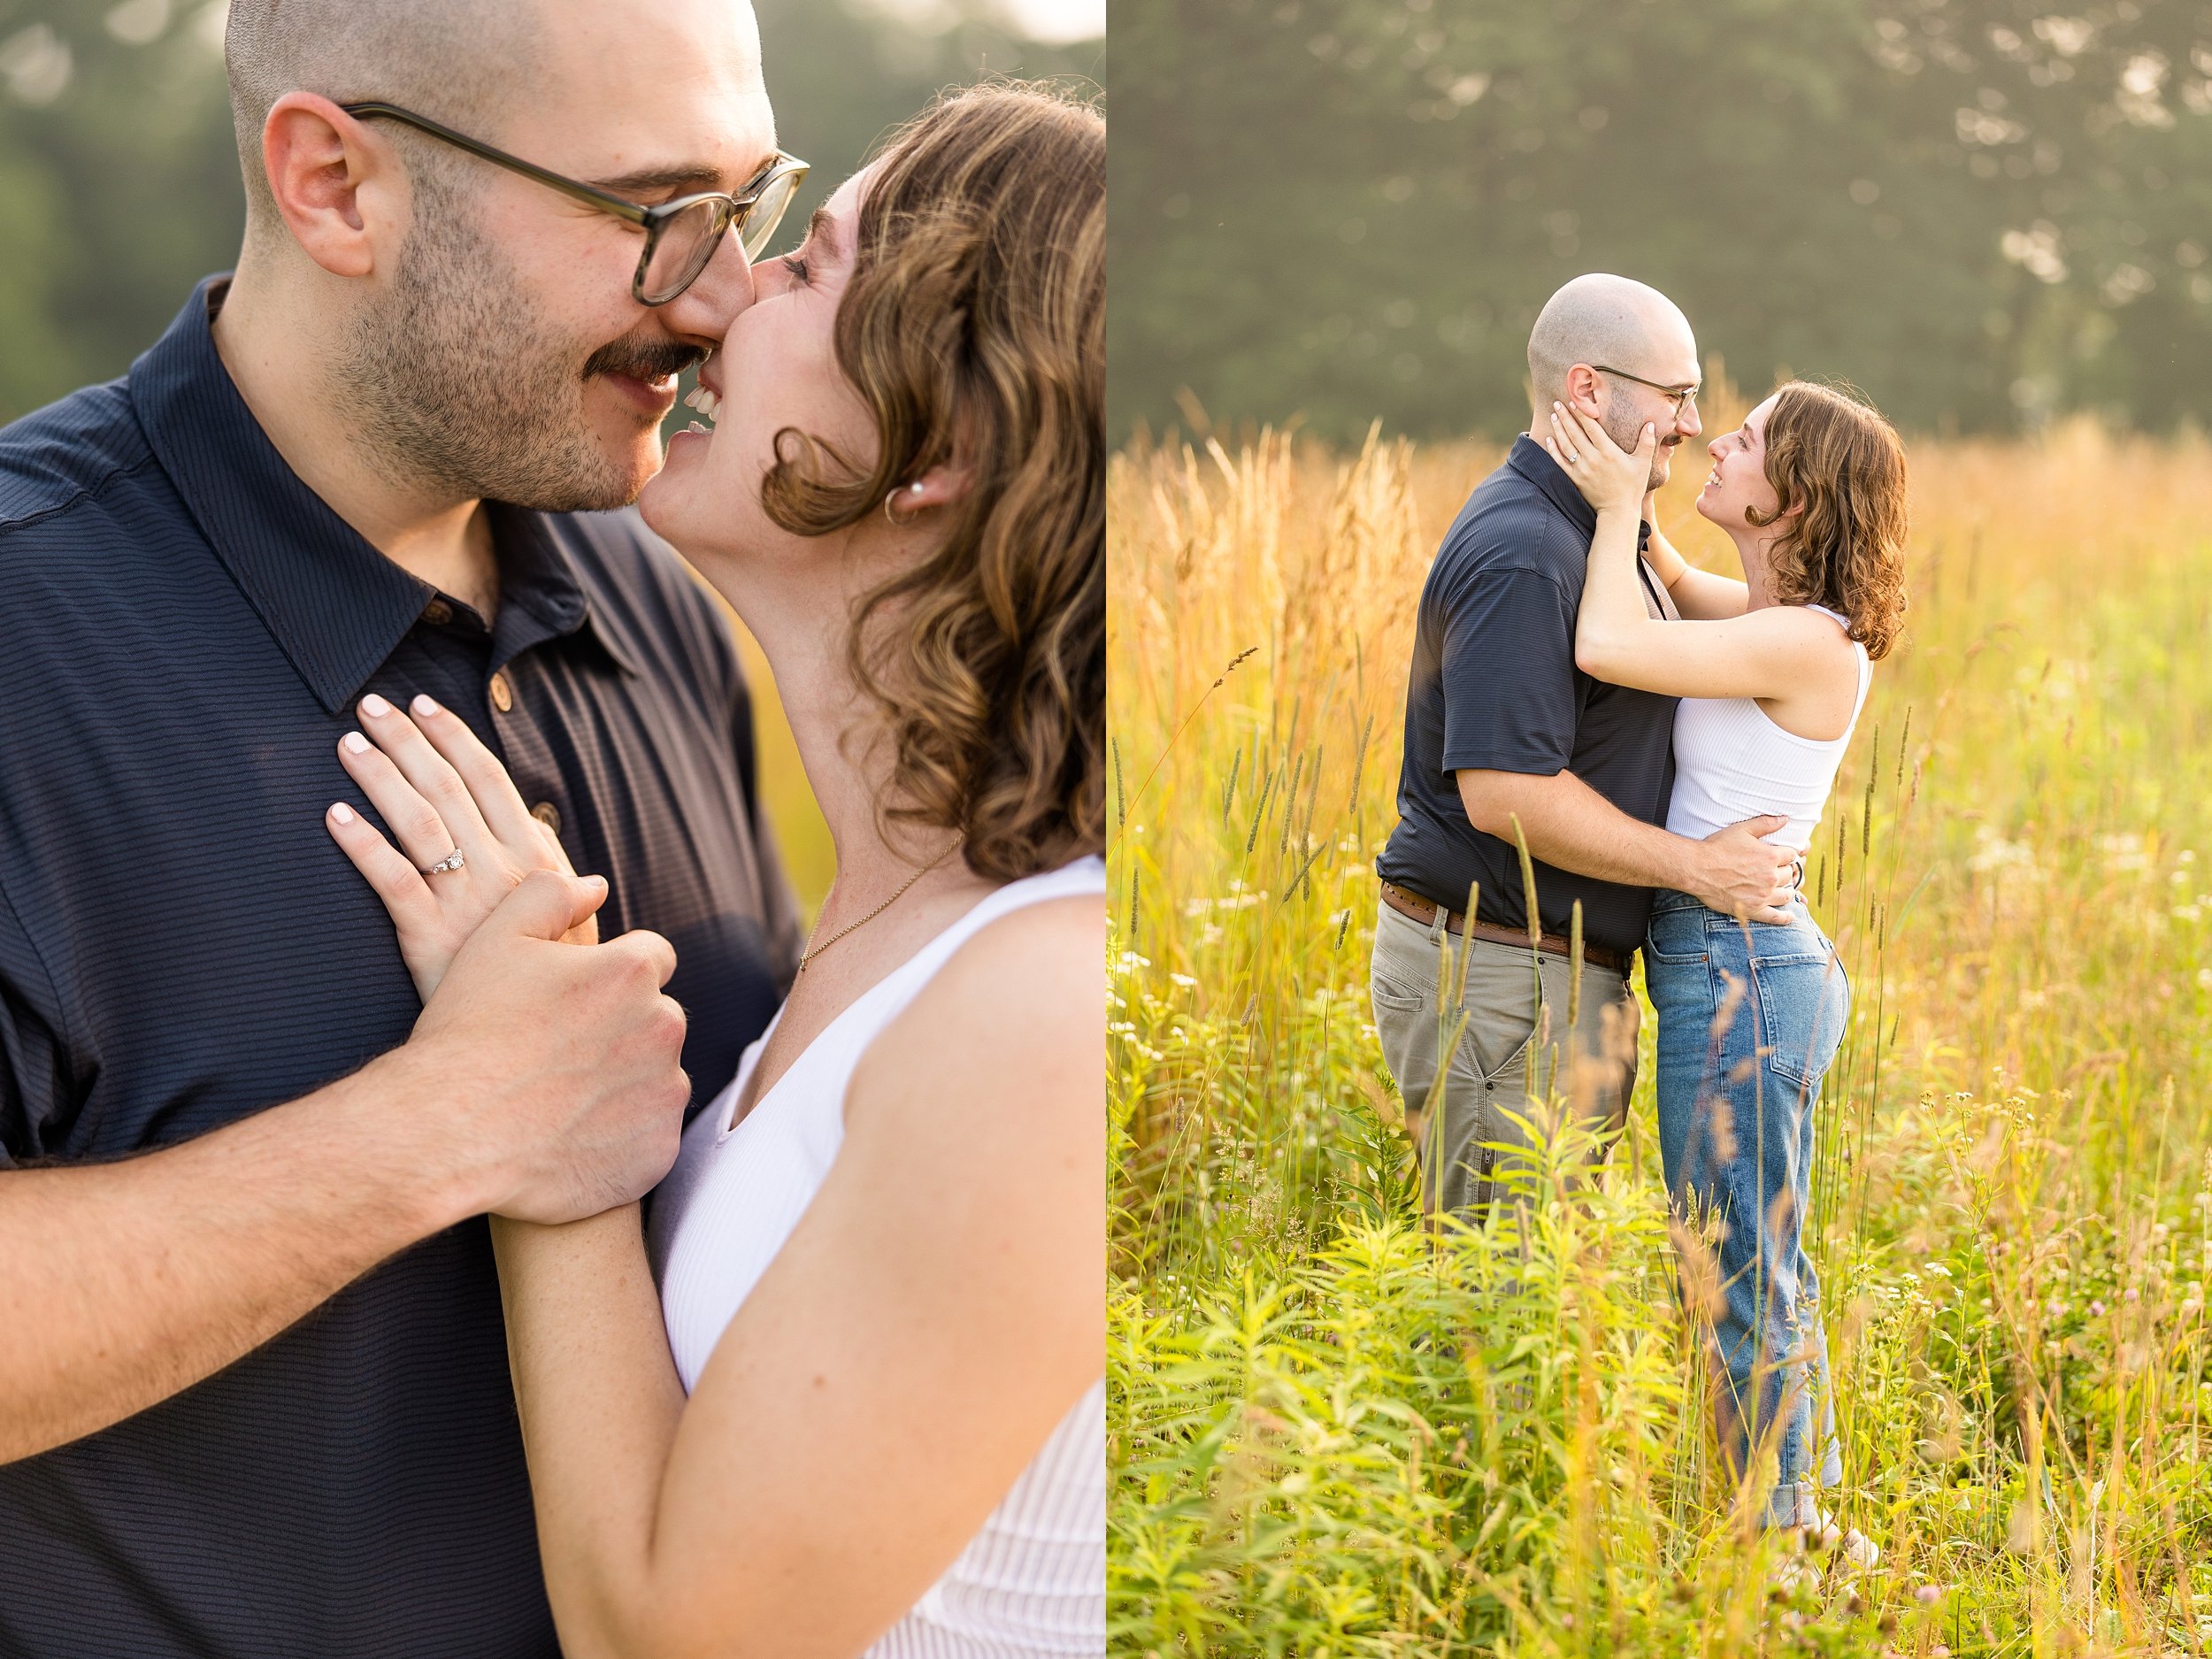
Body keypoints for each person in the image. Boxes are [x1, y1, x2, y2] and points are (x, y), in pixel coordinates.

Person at [0, 1, 804, 1652]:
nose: (722, 296)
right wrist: (431, 1135)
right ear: (333, 185)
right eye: (654, 214)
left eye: (750, 207)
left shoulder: (664, 599)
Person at [321, 82, 1105, 1656]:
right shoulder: (911, 929)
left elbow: (670, 1635)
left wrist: (536, 1109)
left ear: (939, 441)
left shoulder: (1043, 1009)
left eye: (808, 268)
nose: (718, 292)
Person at [1541, 382, 1906, 1563]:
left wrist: (1607, 514)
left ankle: (1781, 1536)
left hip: (1742, 967)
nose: (1720, 438)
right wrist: (1627, 478)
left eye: (1742, 439)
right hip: (1738, 960)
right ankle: (1805, 1516)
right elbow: (1660, 577)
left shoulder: (1805, 639)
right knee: (1761, 1249)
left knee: (1741, 1258)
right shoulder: (1767, 610)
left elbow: (1609, 638)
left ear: (1789, 494)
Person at [1370, 273, 1799, 1220]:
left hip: (1538, 979)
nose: (1691, 423)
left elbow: (1784, 631)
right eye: (1674, 395)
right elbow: (1505, 793)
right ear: (1588, 389)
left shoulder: (1598, 536)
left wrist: (1632, 522)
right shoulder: (1529, 553)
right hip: (1502, 977)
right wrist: (1696, 868)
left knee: (1539, 1303)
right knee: (1500, 1306)